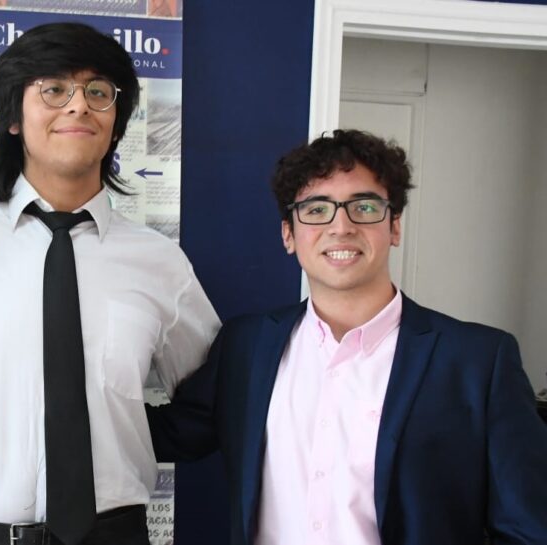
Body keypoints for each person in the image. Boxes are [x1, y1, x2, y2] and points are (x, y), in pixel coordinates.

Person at [0, 22, 220, 545]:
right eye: (54, 89)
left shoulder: (158, 261)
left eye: (98, 92)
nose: (79, 106)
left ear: (116, 122)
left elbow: (213, 401)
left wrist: (115, 426)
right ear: (14, 117)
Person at [148, 129, 547, 545]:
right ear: (289, 234)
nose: (341, 226)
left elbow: (528, 529)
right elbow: (171, 434)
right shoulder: (245, 347)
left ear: (394, 226)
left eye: (365, 207)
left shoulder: (479, 362)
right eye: (316, 209)